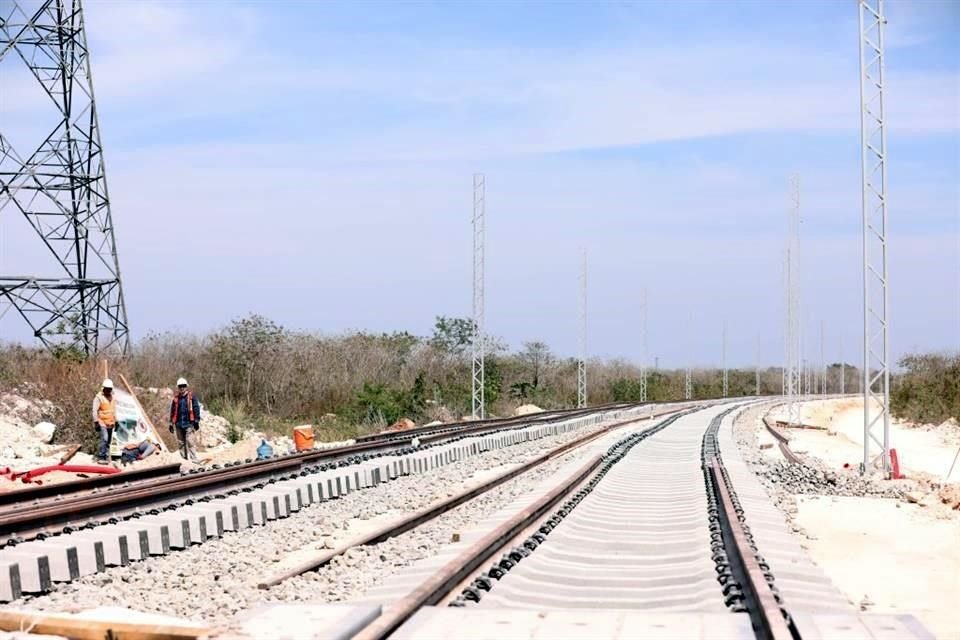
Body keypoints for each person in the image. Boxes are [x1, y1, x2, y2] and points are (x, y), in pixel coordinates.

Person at [169, 377, 201, 462]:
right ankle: (184, 460)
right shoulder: (176, 399)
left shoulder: (191, 397)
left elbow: (196, 408)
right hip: (178, 424)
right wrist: (171, 423)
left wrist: (197, 421)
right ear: (178, 387)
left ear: (186, 386)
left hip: (189, 424)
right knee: (181, 443)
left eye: (183, 386)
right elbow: (172, 411)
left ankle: (194, 459)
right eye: (180, 386)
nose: (182, 388)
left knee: (190, 442)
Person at [91, 379, 116, 465]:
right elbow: (94, 410)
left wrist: (116, 421)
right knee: (104, 438)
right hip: (102, 422)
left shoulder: (112, 397)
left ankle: (106, 457)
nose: (108, 390)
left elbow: (113, 410)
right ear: (103, 388)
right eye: (107, 388)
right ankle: (101, 457)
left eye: (110, 389)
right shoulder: (99, 397)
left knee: (108, 441)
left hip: (110, 423)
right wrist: (96, 422)